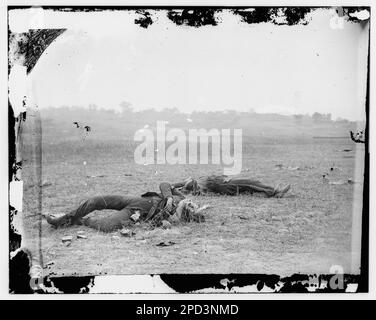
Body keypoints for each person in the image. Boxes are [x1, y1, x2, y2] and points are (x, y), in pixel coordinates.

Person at [45, 182, 205, 232]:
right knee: (96, 200)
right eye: (192, 204)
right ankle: (62, 219)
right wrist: (169, 197)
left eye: (192, 209)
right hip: (136, 200)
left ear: (190, 215)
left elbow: (156, 224)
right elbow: (165, 184)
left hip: (135, 212)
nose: (190, 205)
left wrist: (159, 222)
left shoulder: (176, 219)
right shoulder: (180, 197)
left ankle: (80, 221)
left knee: (105, 226)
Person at [172, 175, 290, 197]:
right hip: (225, 184)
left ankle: (270, 191)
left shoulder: (188, 184)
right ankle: (274, 192)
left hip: (223, 181)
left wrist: (173, 187)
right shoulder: (198, 188)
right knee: (250, 183)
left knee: (250, 185)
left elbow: (171, 185)